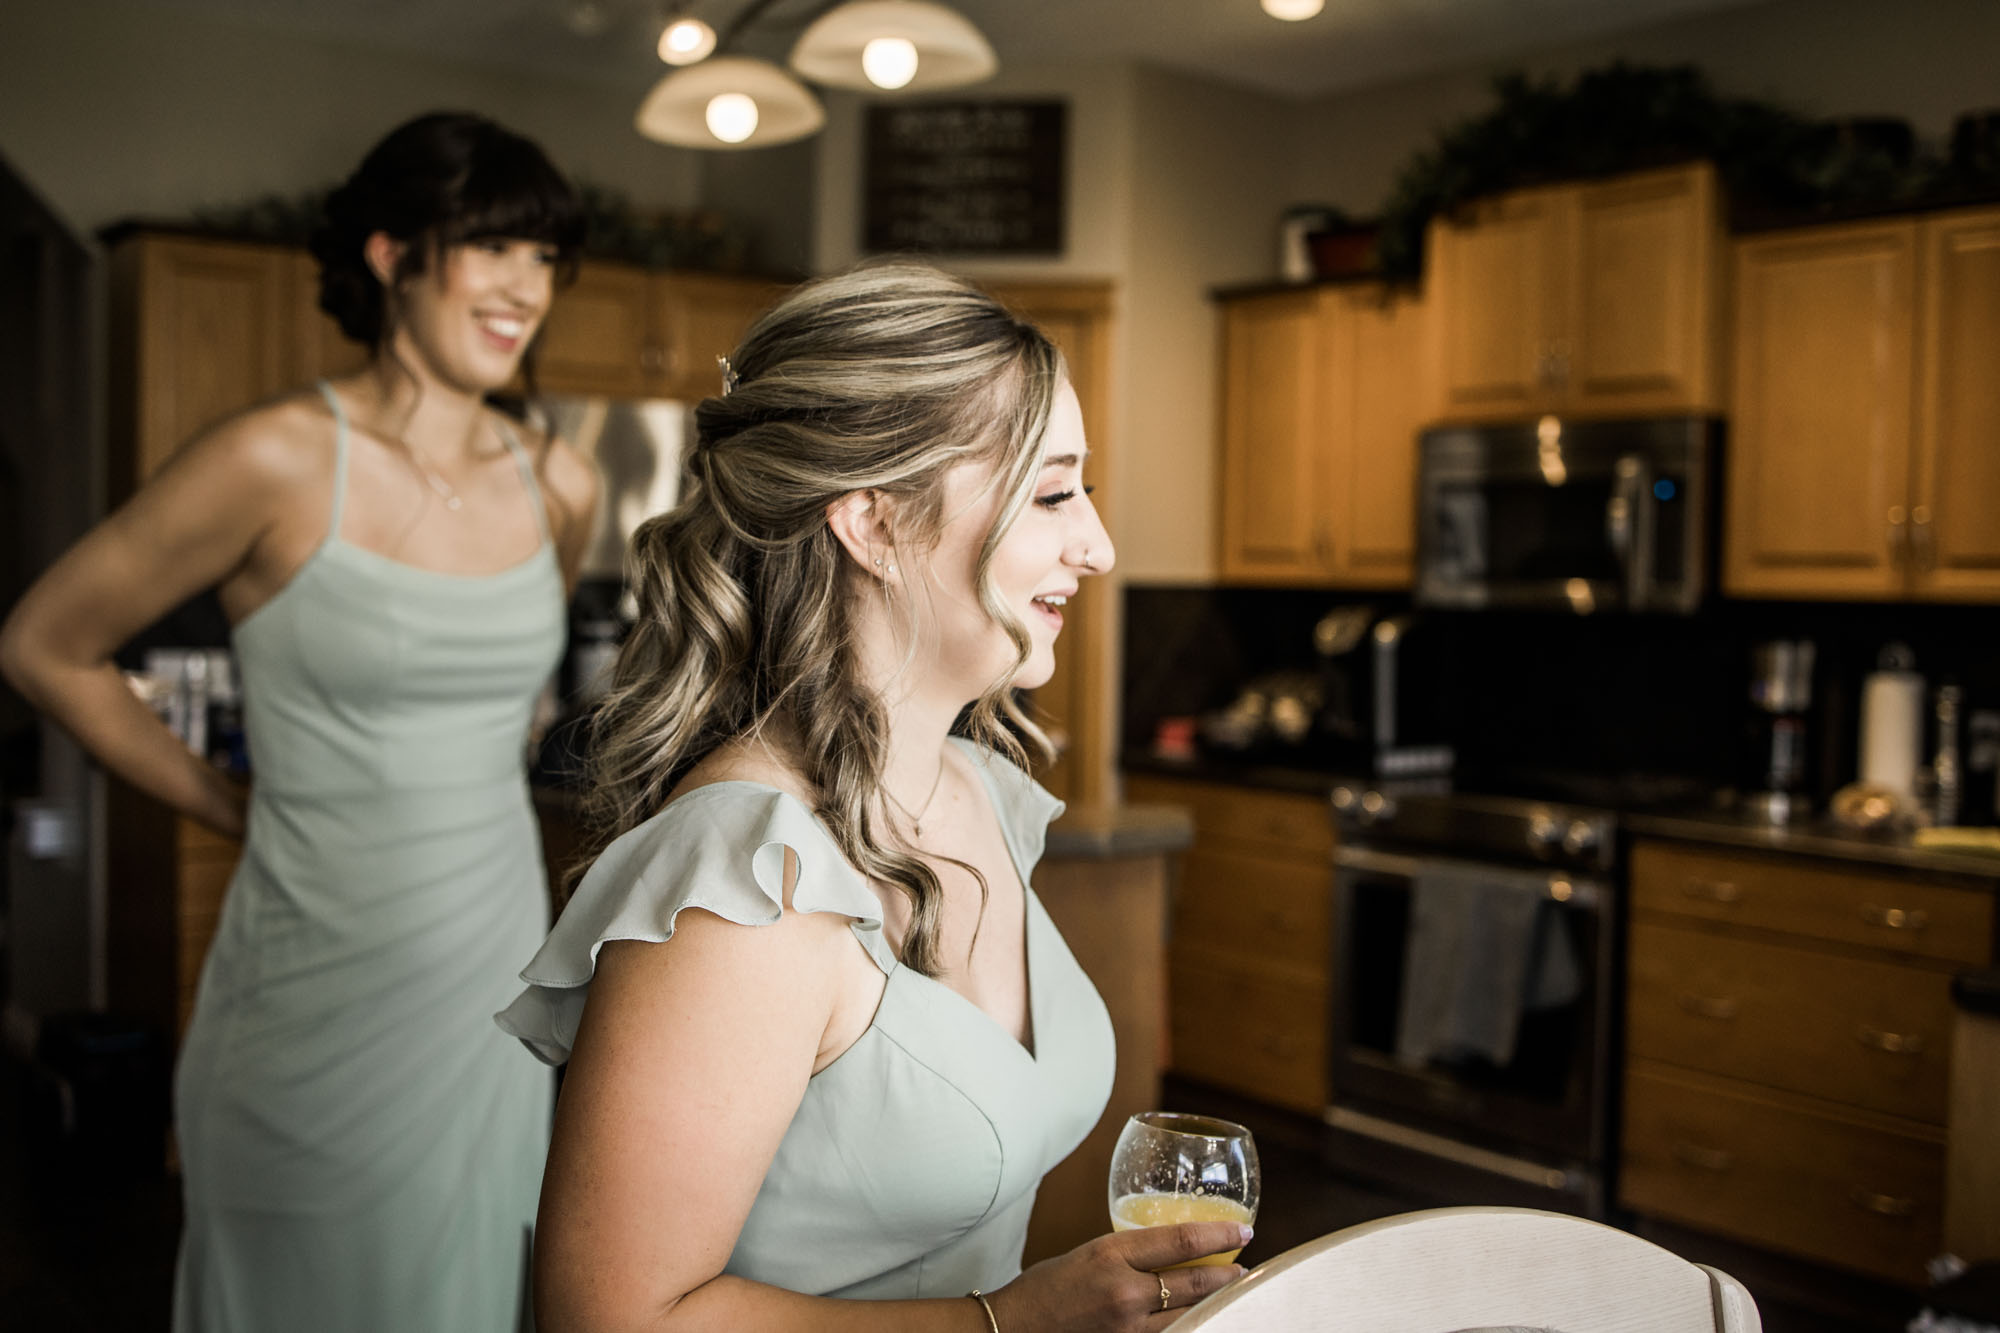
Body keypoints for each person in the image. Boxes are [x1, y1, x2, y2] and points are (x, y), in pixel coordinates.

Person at [495, 262, 1248, 1332]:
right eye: (1050, 493)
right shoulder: (751, 887)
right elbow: (617, 1319)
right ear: (871, 523)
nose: (1098, 543)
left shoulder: (981, 794)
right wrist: (1006, 1321)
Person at [0, 111, 601, 1330]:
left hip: (490, 988)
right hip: (307, 990)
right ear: (390, 255)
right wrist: (226, 801)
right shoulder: (273, 458)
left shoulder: (560, 482)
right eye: (492, 247)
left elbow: (514, 707)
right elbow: (42, 646)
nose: (523, 288)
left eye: (543, 259)